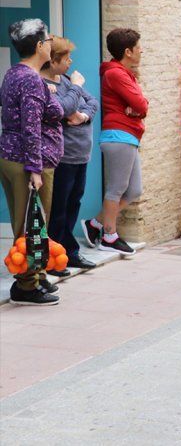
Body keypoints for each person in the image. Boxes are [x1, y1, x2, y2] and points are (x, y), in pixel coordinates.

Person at [0, 19, 64, 305]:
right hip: (26, 161)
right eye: (48, 39)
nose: (52, 43)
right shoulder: (29, 79)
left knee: (34, 221)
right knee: (30, 223)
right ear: (39, 46)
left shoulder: (15, 74)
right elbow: (31, 126)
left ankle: (35, 276)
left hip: (16, 156)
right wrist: (35, 169)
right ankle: (25, 286)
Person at [81, 28, 147, 255]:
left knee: (134, 190)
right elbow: (142, 105)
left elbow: (139, 105)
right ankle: (109, 236)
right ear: (128, 52)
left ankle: (96, 223)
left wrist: (137, 108)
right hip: (118, 136)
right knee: (116, 189)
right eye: (139, 48)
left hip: (128, 136)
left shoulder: (123, 73)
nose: (141, 51)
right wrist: (136, 109)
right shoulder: (116, 74)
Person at [39, 36, 100, 273]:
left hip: (80, 155)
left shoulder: (65, 80)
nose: (70, 62)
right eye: (66, 58)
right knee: (58, 209)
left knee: (73, 203)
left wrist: (82, 116)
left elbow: (91, 102)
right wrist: (75, 89)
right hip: (61, 157)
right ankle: (53, 258)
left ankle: (68, 253)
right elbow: (63, 108)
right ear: (53, 61)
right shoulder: (45, 86)